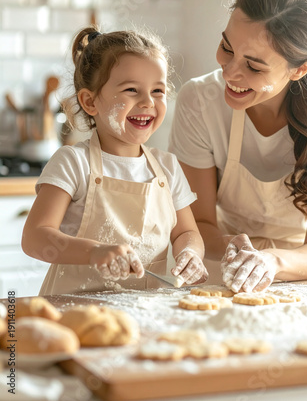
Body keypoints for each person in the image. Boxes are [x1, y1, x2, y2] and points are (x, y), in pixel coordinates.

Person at [169, 0, 307, 294]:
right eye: (226, 47)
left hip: (303, 282)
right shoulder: (198, 100)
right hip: (219, 273)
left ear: (300, 68)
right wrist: (240, 256)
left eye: (253, 66)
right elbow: (199, 225)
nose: (230, 72)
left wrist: (272, 261)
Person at [22, 27, 208, 295]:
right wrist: (94, 252)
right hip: (74, 312)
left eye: (158, 90)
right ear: (90, 101)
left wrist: (190, 253)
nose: (148, 102)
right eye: (132, 90)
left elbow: (186, 233)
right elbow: (34, 237)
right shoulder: (73, 162)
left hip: (146, 314)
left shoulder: (167, 167)